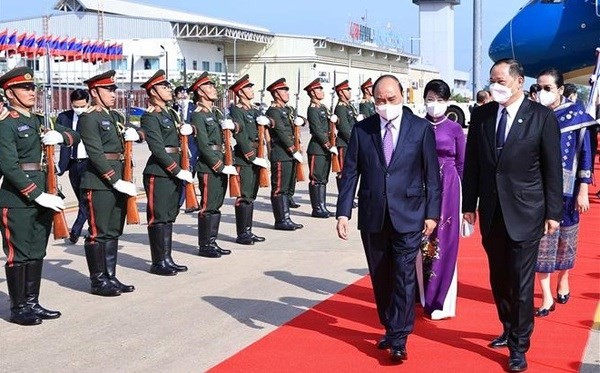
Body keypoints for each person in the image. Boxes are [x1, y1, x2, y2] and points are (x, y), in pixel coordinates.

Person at [462, 58, 562, 372]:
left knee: (520, 281)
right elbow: (473, 164)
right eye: (492, 79)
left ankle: (519, 346)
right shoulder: (482, 115)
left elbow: (552, 169)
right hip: (492, 211)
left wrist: (553, 212)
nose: (496, 85)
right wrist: (469, 205)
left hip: (527, 211)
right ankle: (507, 326)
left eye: (501, 80)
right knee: (499, 277)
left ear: (518, 82)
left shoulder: (541, 117)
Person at [336, 74, 441, 363]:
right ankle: (390, 325)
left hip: (409, 214)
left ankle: (399, 337)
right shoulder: (362, 130)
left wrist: (433, 213)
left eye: (391, 99)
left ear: (402, 96)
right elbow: (350, 174)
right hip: (373, 215)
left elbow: (432, 176)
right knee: (381, 276)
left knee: (404, 276)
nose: (385, 105)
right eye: (380, 100)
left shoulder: (420, 129)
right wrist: (343, 211)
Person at [0, 67, 79, 325]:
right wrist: (36, 194)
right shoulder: (6, 124)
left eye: (33, 88)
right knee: (19, 253)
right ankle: (18, 307)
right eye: (25, 88)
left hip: (45, 192)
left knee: (37, 250)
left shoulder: (39, 121)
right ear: (9, 93)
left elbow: (74, 134)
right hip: (18, 199)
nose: (31, 92)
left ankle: (32, 302)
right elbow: (9, 166)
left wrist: (62, 136)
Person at [534, 68, 593, 316]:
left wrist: (583, 190)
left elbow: (586, 154)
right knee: (542, 242)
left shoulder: (577, 115)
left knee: (566, 239)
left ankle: (564, 278)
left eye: (548, 88)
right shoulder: (533, 115)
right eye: (538, 88)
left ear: (560, 89)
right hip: (538, 189)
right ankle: (546, 296)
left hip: (567, 190)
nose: (542, 93)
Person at [79, 70, 142, 297]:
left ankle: (110, 276)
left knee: (113, 230)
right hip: (100, 182)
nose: (113, 94)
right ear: (94, 92)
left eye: (114, 89)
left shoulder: (115, 117)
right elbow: (95, 153)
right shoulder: (89, 118)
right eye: (108, 90)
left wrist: (136, 134)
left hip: (119, 178)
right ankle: (98, 281)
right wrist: (114, 180)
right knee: (99, 231)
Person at [415, 79, 465, 320]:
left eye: (440, 100)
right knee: (420, 239)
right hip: (421, 184)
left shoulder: (455, 129)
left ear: (448, 102)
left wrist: (468, 204)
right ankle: (420, 294)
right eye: (430, 99)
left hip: (449, 185)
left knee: (444, 239)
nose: (434, 104)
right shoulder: (415, 126)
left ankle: (442, 300)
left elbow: (463, 164)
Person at [140, 70, 194, 275]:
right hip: (160, 172)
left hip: (175, 168)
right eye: (164, 87)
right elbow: (158, 148)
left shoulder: (170, 113)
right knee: (159, 217)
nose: (169, 90)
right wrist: (176, 170)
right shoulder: (149, 116)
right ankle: (158, 262)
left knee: (169, 216)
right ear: (153, 91)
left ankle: (167, 258)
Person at [189, 72, 237, 257]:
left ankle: (212, 241)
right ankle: (205, 245)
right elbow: (203, 144)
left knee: (216, 205)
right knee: (208, 206)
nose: (213, 89)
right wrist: (219, 165)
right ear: (200, 91)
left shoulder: (215, 113)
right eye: (209, 86)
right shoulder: (198, 115)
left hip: (221, 161)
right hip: (209, 167)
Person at [228, 74, 269, 244]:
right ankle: (242, 233)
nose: (252, 90)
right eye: (248, 88)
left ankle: (248, 230)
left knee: (251, 195)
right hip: (244, 158)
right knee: (244, 196)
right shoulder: (237, 110)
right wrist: (252, 157)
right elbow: (241, 136)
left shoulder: (254, 109)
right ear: (240, 92)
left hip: (257, 154)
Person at [265, 78, 304, 230]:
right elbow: (281, 132)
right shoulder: (273, 111)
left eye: (287, 90)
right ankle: (281, 220)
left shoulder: (287, 110)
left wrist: (301, 121)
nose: (287, 93)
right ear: (276, 93)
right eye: (284, 90)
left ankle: (287, 217)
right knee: (279, 188)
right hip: (281, 153)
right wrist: (293, 150)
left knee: (287, 188)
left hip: (289, 154)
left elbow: (297, 123)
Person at [57, 89, 91, 244]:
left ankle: (76, 230)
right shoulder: (64, 118)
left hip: (89, 164)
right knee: (82, 199)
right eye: (76, 106)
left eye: (82, 105)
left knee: (86, 199)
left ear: (88, 102)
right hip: (73, 165)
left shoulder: (93, 116)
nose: (79, 109)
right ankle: (93, 227)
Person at [305, 78, 338, 218]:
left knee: (323, 179)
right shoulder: (312, 109)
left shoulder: (323, 107)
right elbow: (317, 130)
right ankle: (317, 208)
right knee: (316, 178)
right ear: (312, 92)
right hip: (317, 149)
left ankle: (323, 206)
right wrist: (328, 145)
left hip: (325, 149)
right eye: (319, 89)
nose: (321, 91)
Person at [334, 80, 363, 207]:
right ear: (341, 93)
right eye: (347, 90)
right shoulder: (340, 108)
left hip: (350, 143)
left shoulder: (348, 106)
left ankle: (349, 199)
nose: (350, 92)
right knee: (343, 173)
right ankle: (344, 199)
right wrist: (355, 143)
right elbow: (345, 129)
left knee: (351, 172)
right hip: (345, 144)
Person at [173, 85, 199, 212]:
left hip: (192, 147)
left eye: (185, 94)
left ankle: (183, 202)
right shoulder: (172, 109)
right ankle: (180, 201)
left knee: (189, 175)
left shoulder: (194, 109)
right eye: (180, 94)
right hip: (177, 148)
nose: (182, 96)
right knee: (179, 176)